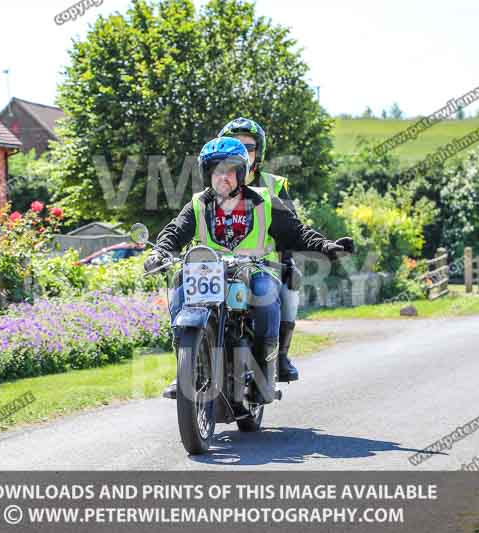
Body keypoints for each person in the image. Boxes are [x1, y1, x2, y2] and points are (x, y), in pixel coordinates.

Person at [146, 137, 352, 399]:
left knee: (266, 295)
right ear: (207, 173)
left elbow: (296, 232)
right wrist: (159, 252)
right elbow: (174, 232)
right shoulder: (198, 204)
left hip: (256, 270)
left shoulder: (264, 201)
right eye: (217, 171)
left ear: (241, 173)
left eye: (231, 170)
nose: (224, 177)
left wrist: (327, 246)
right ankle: (187, 367)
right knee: (179, 284)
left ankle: (264, 373)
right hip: (209, 272)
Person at [217, 118, 352, 383]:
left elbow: (291, 227)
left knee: (292, 279)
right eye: (234, 145)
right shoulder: (214, 181)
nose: (242, 151)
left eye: (249, 146)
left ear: (260, 152)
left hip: (264, 264)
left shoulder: (274, 184)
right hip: (219, 264)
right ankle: (190, 364)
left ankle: (279, 356)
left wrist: (289, 261)